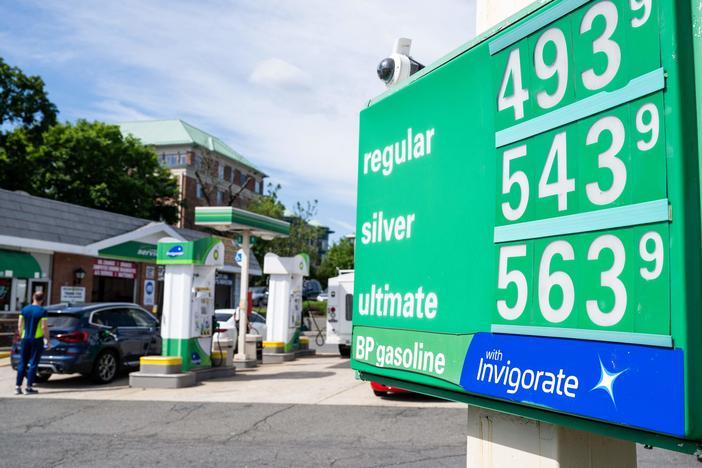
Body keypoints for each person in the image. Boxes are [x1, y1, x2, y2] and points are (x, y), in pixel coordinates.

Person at [15, 291, 50, 395]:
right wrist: (47, 340)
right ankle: (29, 387)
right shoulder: (42, 311)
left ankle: (17, 387)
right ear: (42, 300)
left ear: (33, 297)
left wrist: (21, 336)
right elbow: (44, 327)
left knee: (23, 362)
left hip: (25, 338)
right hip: (37, 339)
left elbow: (20, 325)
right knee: (33, 363)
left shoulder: (24, 309)